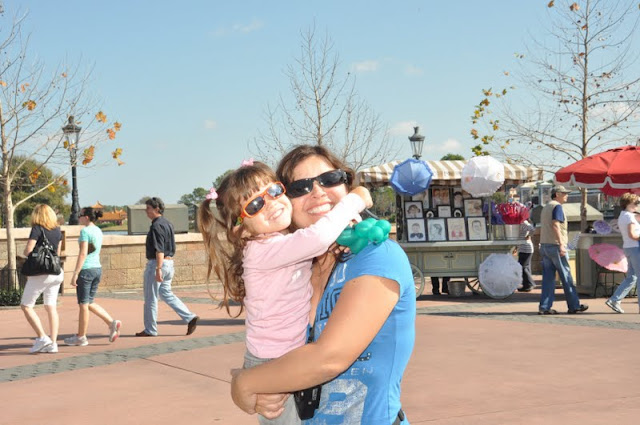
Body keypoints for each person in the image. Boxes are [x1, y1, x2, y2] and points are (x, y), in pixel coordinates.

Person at [230, 145, 415, 424]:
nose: (317, 192)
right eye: (300, 187)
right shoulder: (297, 269)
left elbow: (329, 358)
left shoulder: (377, 257)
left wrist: (244, 383)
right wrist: (259, 387)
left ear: (347, 186)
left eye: (330, 179)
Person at [198, 160, 371, 424]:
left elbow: (318, 237)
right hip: (274, 360)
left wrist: (348, 226)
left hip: (282, 354)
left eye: (274, 191)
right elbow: (318, 238)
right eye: (255, 205)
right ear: (240, 229)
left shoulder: (279, 242)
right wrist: (354, 201)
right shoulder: (263, 250)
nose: (270, 203)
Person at [135, 197, 199, 337]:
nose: (146, 211)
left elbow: (159, 249)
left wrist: (158, 269)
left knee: (151, 298)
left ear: (157, 209)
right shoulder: (168, 224)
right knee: (166, 293)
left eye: (148, 208)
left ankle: (150, 329)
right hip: (169, 263)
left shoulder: (156, 226)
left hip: (158, 263)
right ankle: (189, 317)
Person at [64, 207, 121, 347]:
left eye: (80, 215)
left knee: (83, 305)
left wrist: (75, 273)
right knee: (89, 302)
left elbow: (83, 253)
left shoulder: (85, 231)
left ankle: (81, 337)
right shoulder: (98, 230)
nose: (78, 217)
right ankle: (111, 323)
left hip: (86, 270)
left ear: (87, 217)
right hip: (97, 269)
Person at [20, 204, 64, 353]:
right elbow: (57, 253)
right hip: (56, 272)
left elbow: (28, 250)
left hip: (41, 273)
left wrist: (27, 253)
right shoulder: (57, 230)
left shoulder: (37, 229)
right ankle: (53, 343)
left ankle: (42, 337)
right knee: (51, 306)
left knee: (26, 306)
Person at [538, 185, 588, 315]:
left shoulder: (546, 207)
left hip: (545, 245)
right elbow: (555, 225)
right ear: (557, 194)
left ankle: (544, 307)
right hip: (555, 246)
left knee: (548, 279)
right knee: (566, 277)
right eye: (564, 193)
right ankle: (574, 305)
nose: (567, 195)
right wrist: (561, 244)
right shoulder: (557, 207)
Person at [605, 193, 640, 314]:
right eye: (636, 203)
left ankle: (615, 299)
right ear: (628, 204)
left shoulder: (623, 215)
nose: (637, 205)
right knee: (637, 277)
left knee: (632, 277)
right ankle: (615, 300)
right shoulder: (629, 217)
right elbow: (632, 235)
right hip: (635, 248)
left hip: (628, 247)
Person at [516, 219, 536, 292]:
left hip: (526, 248)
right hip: (523, 248)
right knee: (525, 267)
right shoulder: (521, 223)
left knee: (523, 267)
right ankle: (526, 284)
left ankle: (530, 283)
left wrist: (529, 235)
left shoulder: (523, 222)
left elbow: (532, 229)